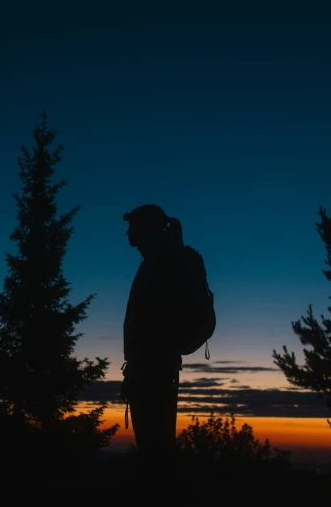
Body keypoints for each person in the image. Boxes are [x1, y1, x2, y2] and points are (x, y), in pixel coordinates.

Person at [121, 204, 187, 478]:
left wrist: (139, 369)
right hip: (155, 369)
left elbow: (153, 326)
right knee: (157, 447)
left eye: (133, 226)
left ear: (148, 229)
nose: (128, 233)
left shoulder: (161, 265)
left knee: (155, 450)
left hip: (153, 371)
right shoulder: (158, 262)